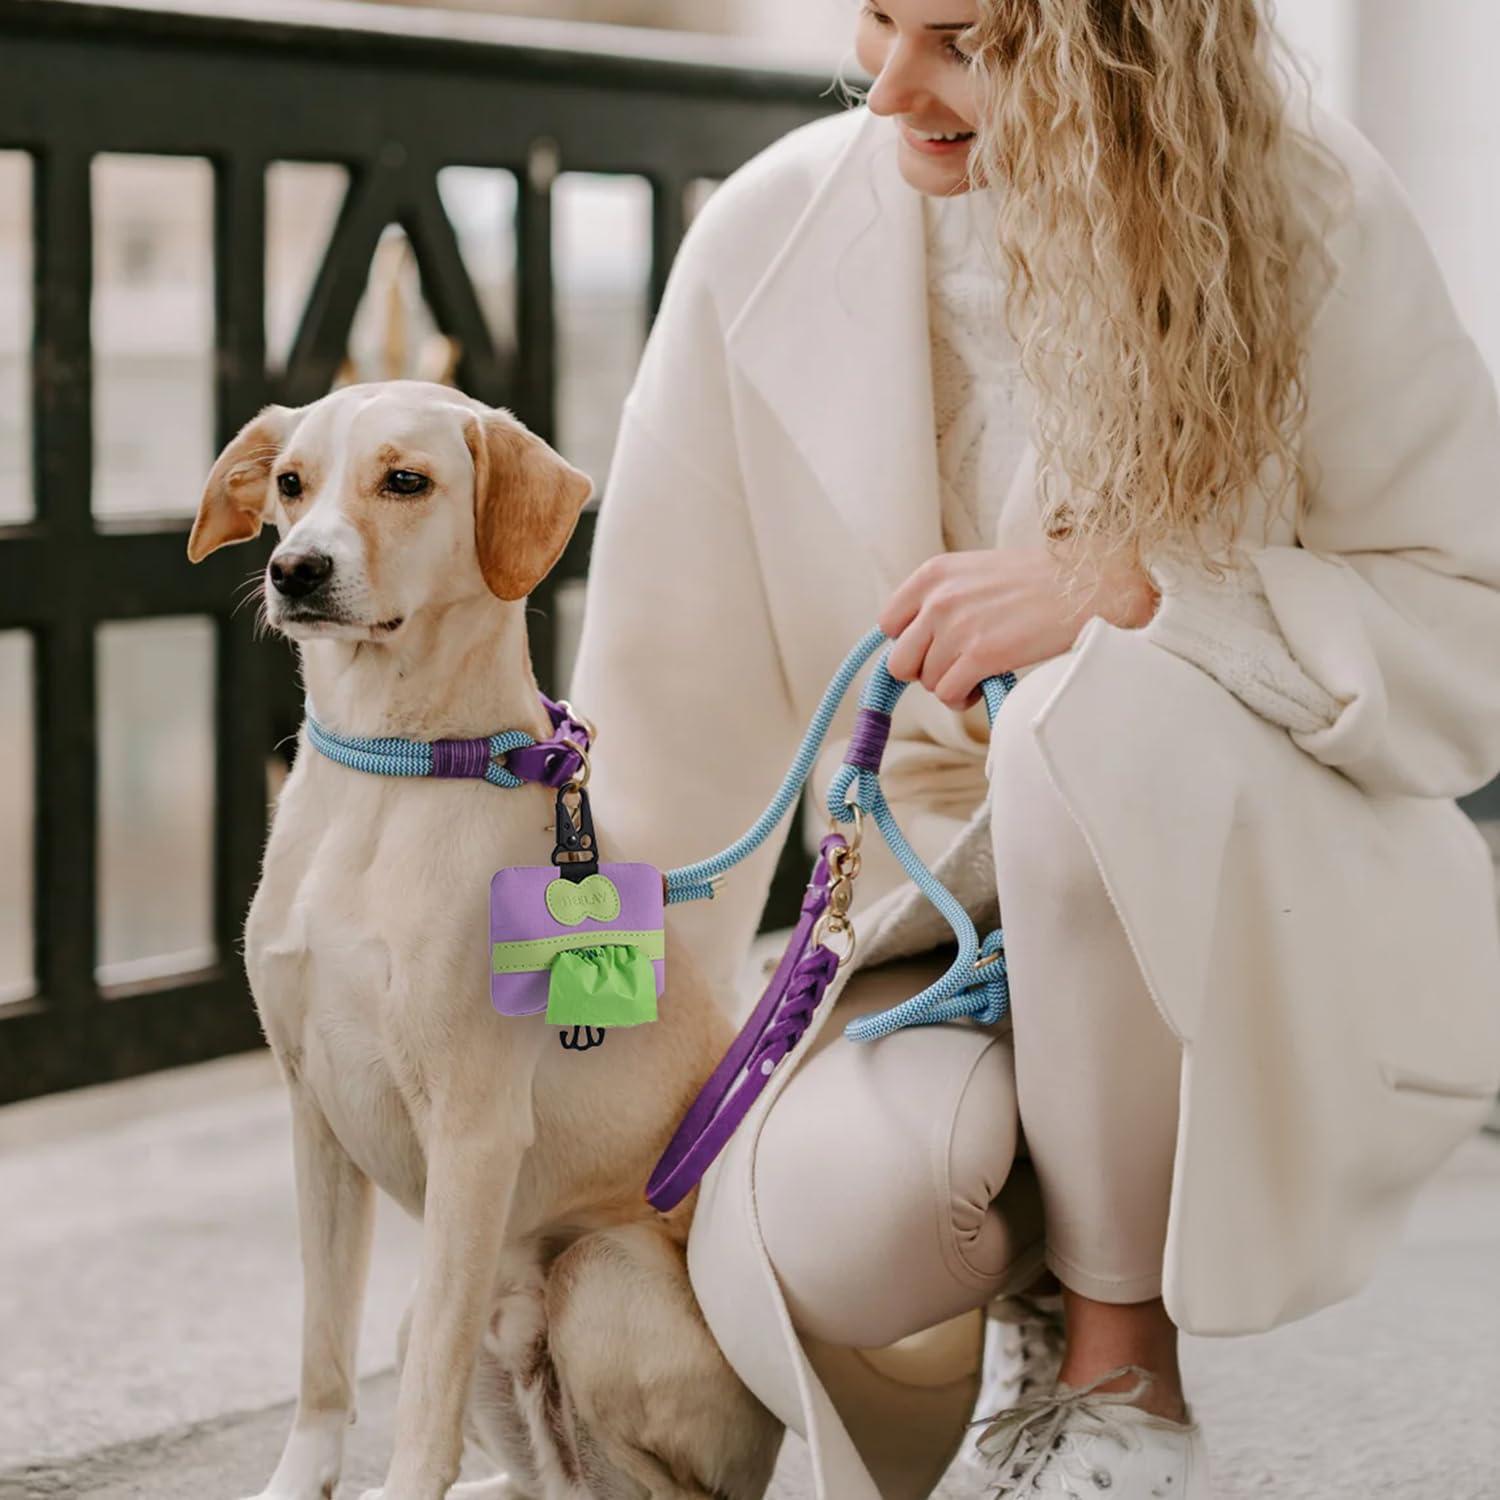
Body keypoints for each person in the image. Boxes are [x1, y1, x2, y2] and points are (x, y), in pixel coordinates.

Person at [568, 1, 1500, 1495]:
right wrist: (555, 1117)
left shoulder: (1312, 208)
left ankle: (1124, 1379)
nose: (890, 92)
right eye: (877, 22)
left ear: (1133, 43)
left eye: (969, 41)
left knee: (1098, 700)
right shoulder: (764, 236)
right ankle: (1060, 1238)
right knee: (848, 1237)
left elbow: (1476, 624)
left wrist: (1139, 592)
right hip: (931, 908)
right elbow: (645, 732)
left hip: (1251, 892)